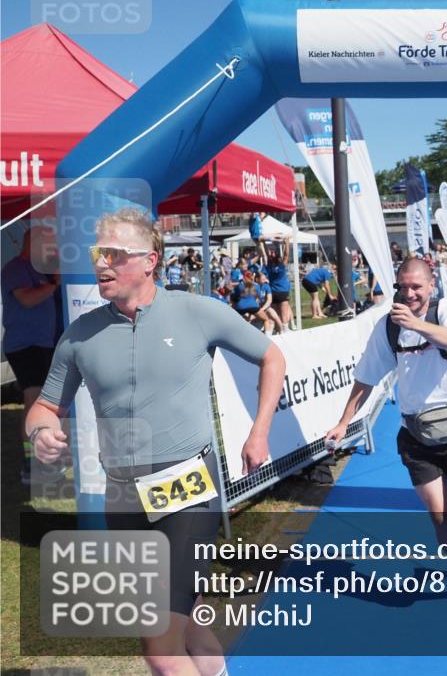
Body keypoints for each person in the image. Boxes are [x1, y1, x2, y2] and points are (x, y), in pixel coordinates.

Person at [28, 207, 286, 676]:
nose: (101, 264)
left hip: (189, 489)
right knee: (187, 624)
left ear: (150, 261)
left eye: (113, 254)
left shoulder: (196, 311)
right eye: (96, 253)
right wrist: (42, 432)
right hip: (123, 497)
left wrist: (260, 430)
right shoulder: (79, 334)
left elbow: (272, 357)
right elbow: (44, 408)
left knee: (160, 650)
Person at [325, 258, 447, 615]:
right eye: (402, 287)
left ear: (431, 285)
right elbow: (367, 377)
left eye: (416, 287)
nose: (409, 293)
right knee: (440, 517)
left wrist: (418, 325)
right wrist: (344, 422)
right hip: (416, 437)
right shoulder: (388, 327)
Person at [2, 225, 61, 482]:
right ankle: (31, 465)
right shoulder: (16, 268)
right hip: (25, 346)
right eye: (45, 244)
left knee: (44, 403)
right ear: (32, 244)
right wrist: (54, 284)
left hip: (43, 344)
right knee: (34, 402)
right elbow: (27, 299)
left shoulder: (41, 269)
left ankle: (43, 461)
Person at [265, 236, 293, 332]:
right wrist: (287, 243)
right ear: (279, 259)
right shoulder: (281, 267)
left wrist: (263, 243)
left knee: (275, 314)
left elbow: (266, 255)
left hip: (273, 293)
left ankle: (274, 331)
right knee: (284, 314)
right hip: (282, 292)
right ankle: (285, 330)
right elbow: (286, 255)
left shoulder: (269, 267)